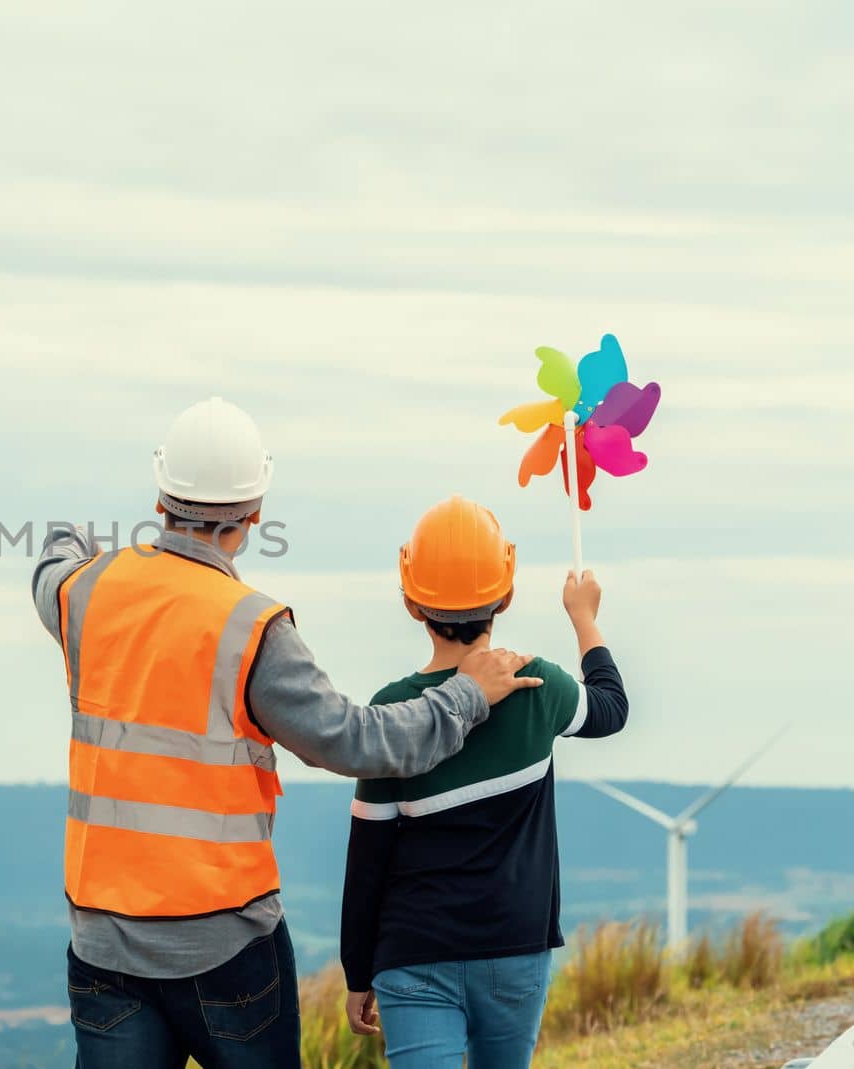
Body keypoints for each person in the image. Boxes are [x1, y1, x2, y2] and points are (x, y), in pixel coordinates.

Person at [31, 399, 547, 1069]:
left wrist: (76, 539)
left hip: (103, 942)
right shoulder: (253, 628)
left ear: (161, 495)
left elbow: (52, 563)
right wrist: (467, 695)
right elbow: (361, 741)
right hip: (225, 947)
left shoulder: (86, 592)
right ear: (253, 511)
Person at [339, 496, 630, 1069]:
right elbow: (610, 710)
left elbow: (368, 855)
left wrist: (357, 969)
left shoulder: (393, 710)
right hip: (514, 947)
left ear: (410, 601)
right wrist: (584, 617)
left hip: (412, 952)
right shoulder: (538, 685)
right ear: (508, 592)